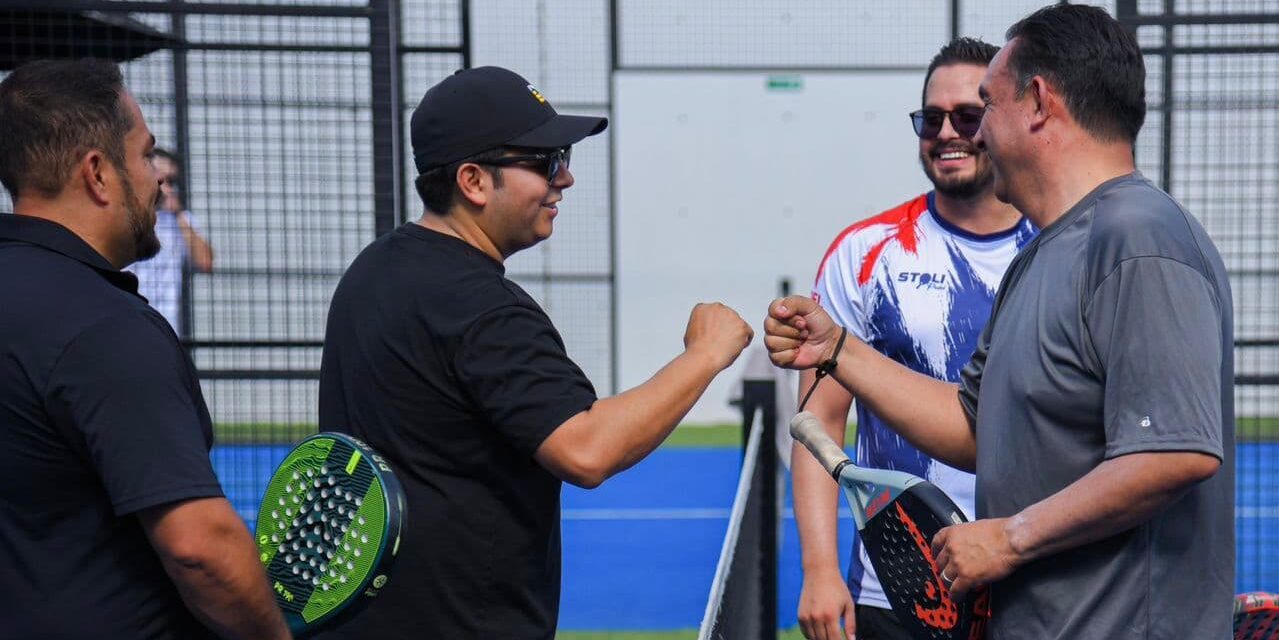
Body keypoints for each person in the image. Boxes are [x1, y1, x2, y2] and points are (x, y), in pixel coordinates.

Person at [767, 5, 1233, 638]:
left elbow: (1173, 452)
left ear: (1037, 102)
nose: (974, 133)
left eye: (985, 105)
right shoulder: (1045, 252)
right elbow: (976, 425)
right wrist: (839, 348)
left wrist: (1010, 540)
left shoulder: (1139, 239)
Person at [315, 66, 753, 640]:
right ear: (473, 181)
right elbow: (588, 449)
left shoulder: (375, 269)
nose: (565, 178)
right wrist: (705, 353)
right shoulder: (481, 307)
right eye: (545, 161)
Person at [0, 59, 290, 640]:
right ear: (98, 173)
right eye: (145, 155)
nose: (157, 177)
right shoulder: (106, 328)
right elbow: (200, 549)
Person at [792, 37, 1035, 640]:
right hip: (899, 586)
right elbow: (816, 422)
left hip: (1035, 578)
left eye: (968, 115)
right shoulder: (865, 253)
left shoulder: (1061, 244)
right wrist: (820, 570)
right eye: (931, 118)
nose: (946, 131)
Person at [128, 147, 214, 336]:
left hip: (166, 323)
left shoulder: (180, 220)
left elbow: (205, 262)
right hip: (128, 318)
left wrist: (178, 213)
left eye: (171, 180)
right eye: (160, 177)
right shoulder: (126, 215)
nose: (165, 185)